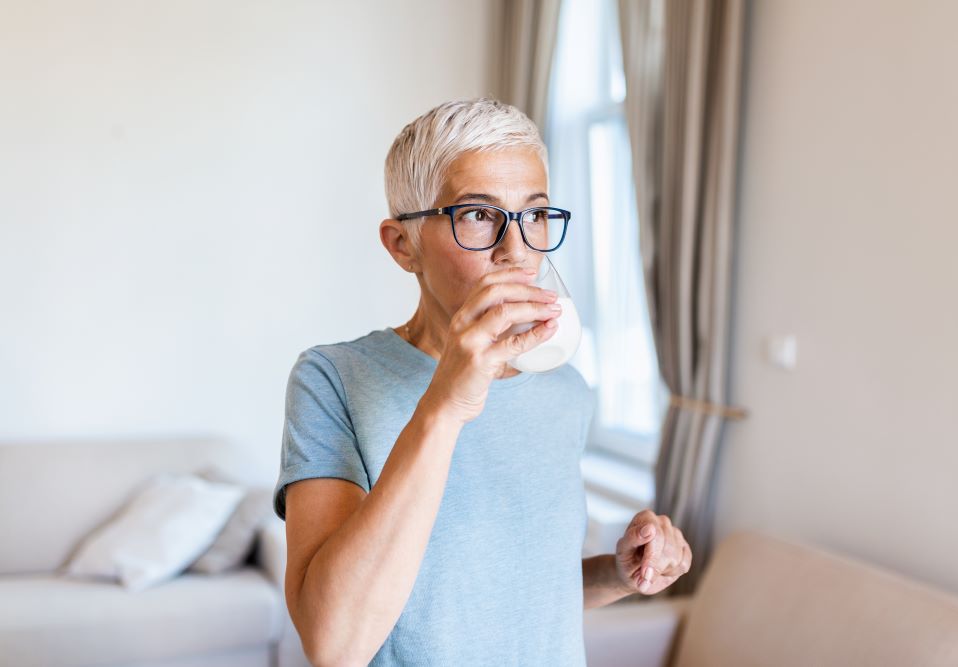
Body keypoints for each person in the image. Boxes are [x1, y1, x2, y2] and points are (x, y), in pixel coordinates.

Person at [272, 98, 692, 666]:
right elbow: (334, 643)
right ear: (403, 246)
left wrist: (617, 575)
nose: (517, 252)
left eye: (536, 215)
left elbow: (508, 600)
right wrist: (445, 405)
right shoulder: (334, 380)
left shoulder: (564, 390)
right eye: (477, 214)